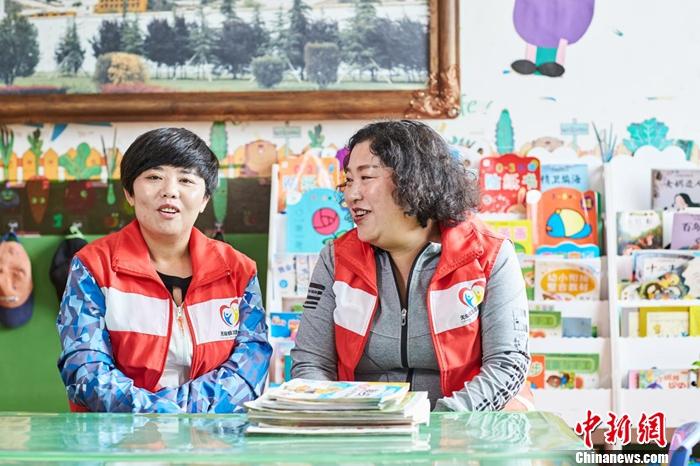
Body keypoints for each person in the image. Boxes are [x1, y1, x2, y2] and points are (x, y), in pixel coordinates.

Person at [291, 120, 532, 411]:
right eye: (349, 180)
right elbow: (311, 361)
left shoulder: (488, 254)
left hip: (462, 425)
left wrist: (443, 423)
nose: (351, 194)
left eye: (366, 177)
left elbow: (507, 364)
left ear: (415, 181)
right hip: (362, 426)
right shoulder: (336, 258)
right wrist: (339, 417)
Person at [56, 128, 271, 413]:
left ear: (205, 199)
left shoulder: (238, 270)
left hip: (213, 436)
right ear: (129, 193)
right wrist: (156, 413)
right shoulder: (93, 266)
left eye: (186, 179)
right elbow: (85, 366)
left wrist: (185, 411)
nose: (170, 190)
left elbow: (251, 361)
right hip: (119, 436)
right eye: (154, 177)